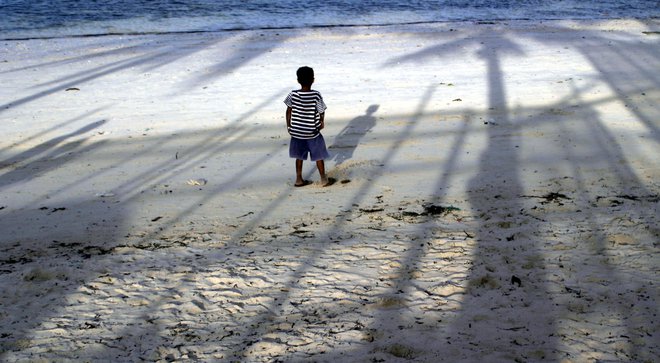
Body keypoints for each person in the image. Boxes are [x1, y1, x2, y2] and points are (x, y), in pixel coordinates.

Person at [284, 66, 334, 187]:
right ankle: (323, 179)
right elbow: (321, 111)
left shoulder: (293, 94)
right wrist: (321, 122)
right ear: (313, 79)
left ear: (298, 80)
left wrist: (289, 126)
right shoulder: (316, 95)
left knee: (299, 156)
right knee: (319, 156)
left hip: (296, 131)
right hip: (312, 131)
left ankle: (299, 179)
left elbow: (288, 110)